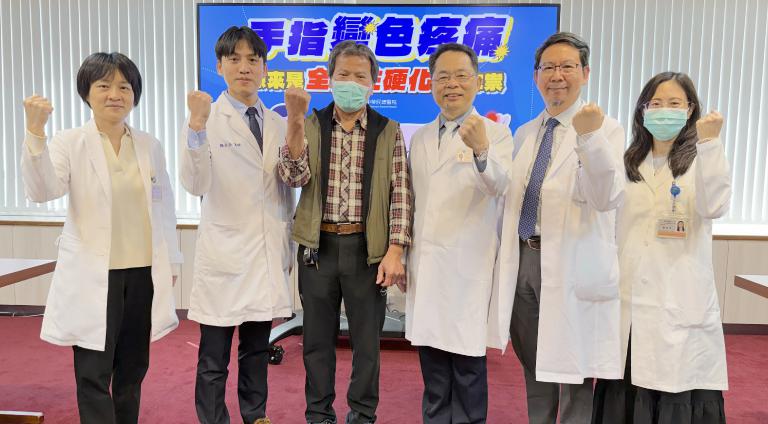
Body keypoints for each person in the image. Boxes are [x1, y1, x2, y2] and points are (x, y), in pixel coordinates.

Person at [21, 52, 181, 424]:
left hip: (142, 273)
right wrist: (35, 133)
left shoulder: (148, 144)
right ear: (87, 93)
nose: (115, 94)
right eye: (104, 85)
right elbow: (42, 190)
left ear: (135, 94)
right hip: (95, 275)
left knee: (132, 368)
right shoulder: (69, 142)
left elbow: (164, 206)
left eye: (124, 87)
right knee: (94, 371)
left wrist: (171, 262)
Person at [490, 32, 626, 424]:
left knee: (574, 365)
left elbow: (605, 197)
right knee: (534, 362)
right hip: (524, 259)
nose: (557, 76)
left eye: (567, 66)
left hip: (571, 262)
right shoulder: (526, 132)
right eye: (548, 67)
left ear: (585, 73)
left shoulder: (606, 130)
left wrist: (589, 138)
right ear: (536, 76)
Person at [278, 40, 412, 424]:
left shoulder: (389, 130)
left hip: (367, 250)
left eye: (360, 76)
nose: (351, 82)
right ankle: (318, 415)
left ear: (373, 83)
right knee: (316, 342)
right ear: (330, 78)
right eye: (343, 74)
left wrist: (396, 249)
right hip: (317, 248)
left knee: (366, 345)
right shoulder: (311, 124)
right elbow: (293, 176)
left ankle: (363, 415)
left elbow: (400, 193)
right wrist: (294, 122)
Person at [592, 72, 730, 424]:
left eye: (674, 103)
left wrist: (711, 143)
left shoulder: (702, 157)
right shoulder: (628, 162)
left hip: (679, 301)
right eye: (655, 103)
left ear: (690, 110)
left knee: (674, 389)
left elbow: (714, 206)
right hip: (631, 302)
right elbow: (602, 202)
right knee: (627, 392)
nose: (663, 111)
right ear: (642, 111)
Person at [180, 26, 295, 424]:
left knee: (256, 352)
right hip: (225, 259)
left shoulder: (278, 122)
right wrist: (196, 128)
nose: (244, 67)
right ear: (220, 66)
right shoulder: (206, 120)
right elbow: (195, 183)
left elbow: (286, 187)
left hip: (264, 257)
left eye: (252, 59)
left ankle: (255, 416)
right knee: (214, 357)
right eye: (234, 59)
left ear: (265, 68)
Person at [405, 42, 513, 424]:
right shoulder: (420, 137)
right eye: (443, 77)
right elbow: (412, 202)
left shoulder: (497, 134)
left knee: (467, 371)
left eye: (461, 76)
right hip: (427, 267)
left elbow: (500, 186)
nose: (452, 84)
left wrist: (482, 150)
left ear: (477, 82)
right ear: (431, 83)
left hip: (468, 268)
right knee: (434, 372)